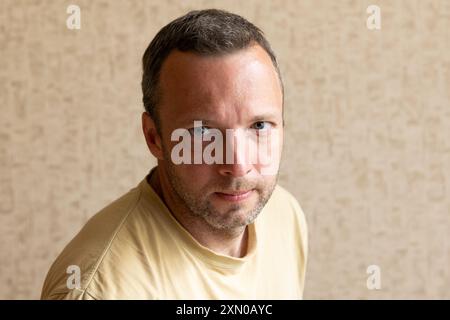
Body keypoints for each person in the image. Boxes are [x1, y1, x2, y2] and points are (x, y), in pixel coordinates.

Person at [41, 8, 308, 300]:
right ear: (154, 137)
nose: (238, 165)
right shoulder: (100, 289)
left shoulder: (283, 214)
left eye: (259, 125)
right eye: (203, 132)